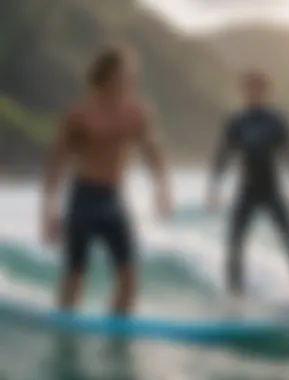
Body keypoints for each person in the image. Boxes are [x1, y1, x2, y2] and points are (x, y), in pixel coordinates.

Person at [41, 46, 171, 316]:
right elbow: (56, 165)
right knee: (76, 274)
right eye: (125, 76)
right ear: (106, 77)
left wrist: (162, 189)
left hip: (114, 198)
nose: (130, 83)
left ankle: (116, 337)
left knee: (129, 279)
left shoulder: (136, 113)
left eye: (132, 77)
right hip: (84, 197)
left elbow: (152, 152)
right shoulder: (79, 115)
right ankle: (66, 333)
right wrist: (49, 212)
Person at [207, 70, 289, 302]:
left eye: (258, 89)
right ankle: (235, 298)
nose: (254, 93)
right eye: (249, 89)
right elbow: (222, 155)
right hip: (247, 191)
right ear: (244, 92)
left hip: (272, 190)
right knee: (234, 243)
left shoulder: (277, 121)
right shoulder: (236, 122)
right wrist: (214, 187)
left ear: (267, 91)